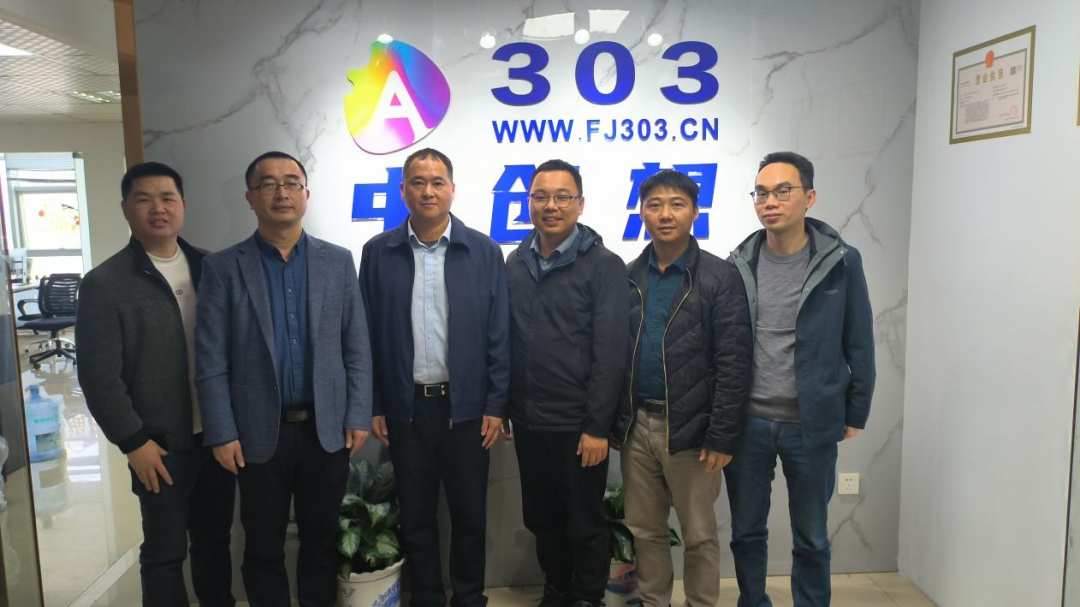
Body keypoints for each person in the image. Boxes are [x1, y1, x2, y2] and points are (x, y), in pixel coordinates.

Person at [195, 151, 372, 606]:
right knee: (262, 547)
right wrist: (221, 431)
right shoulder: (223, 267)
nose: (281, 192)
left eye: (291, 182)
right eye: (268, 184)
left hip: (325, 429)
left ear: (306, 194)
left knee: (321, 542)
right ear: (250, 198)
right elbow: (211, 360)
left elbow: (356, 346)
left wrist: (357, 413)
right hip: (256, 432)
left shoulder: (338, 261)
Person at [76, 161, 236, 606]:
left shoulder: (211, 267)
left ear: (183, 205)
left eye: (167, 198)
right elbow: (98, 376)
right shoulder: (104, 283)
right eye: (143, 200)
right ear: (126, 208)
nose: (157, 209)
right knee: (165, 553)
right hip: (159, 446)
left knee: (215, 542)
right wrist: (133, 442)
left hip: (217, 438)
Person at [359, 148, 510, 607]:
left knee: (469, 516)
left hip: (467, 409)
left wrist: (495, 404)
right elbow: (367, 335)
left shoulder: (483, 251)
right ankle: (425, 598)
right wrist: (375, 403)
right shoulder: (378, 252)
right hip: (406, 409)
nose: (428, 191)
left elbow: (499, 333)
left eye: (437, 182)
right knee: (417, 515)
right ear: (403, 190)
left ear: (452, 190)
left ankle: (469, 598)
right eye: (418, 182)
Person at [726, 151, 875, 607]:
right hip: (748, 422)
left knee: (811, 537)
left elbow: (859, 340)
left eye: (782, 191)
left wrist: (856, 410)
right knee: (746, 532)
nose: (770, 202)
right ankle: (753, 601)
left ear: (809, 198)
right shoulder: (740, 262)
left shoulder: (841, 261)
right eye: (761, 193)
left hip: (811, 423)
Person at [612, 169, 753, 607]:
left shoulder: (719, 277)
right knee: (645, 530)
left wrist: (722, 434)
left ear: (694, 212)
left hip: (693, 429)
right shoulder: (629, 276)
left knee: (699, 535)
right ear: (641, 213)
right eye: (654, 205)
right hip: (638, 427)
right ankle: (654, 601)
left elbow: (734, 361)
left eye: (676, 204)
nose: (665, 214)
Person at [505, 159, 629, 607]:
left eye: (562, 197)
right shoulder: (516, 262)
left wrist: (597, 427)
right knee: (542, 518)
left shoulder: (603, 265)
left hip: (579, 425)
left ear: (580, 203)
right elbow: (506, 340)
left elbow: (611, 353)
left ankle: (588, 597)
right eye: (541, 196)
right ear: (529, 202)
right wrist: (505, 407)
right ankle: (556, 590)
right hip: (529, 420)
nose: (551, 206)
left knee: (584, 522)